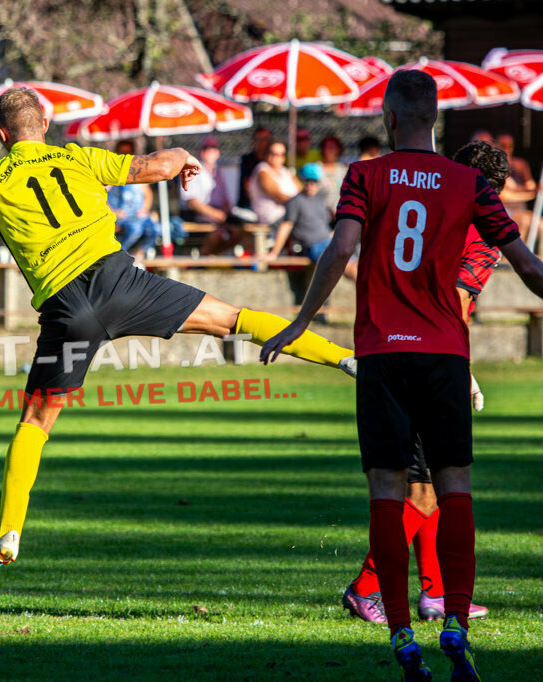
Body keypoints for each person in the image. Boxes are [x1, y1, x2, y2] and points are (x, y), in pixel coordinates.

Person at [0, 87, 358, 590]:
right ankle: (345, 360)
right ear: (45, 124)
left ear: (1, 135)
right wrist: (183, 157)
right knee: (235, 320)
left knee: (35, 423)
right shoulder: (78, 158)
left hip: (67, 311)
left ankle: (9, 531)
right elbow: (154, 165)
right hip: (122, 283)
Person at [260, 70, 543, 681]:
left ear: (388, 117)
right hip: (445, 354)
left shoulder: (364, 176)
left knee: (388, 491)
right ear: (435, 118)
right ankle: (455, 621)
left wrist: (300, 321)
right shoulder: (470, 183)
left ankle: (401, 633)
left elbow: (340, 249)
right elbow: (526, 265)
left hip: (383, 355)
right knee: (454, 484)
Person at [341, 140, 508, 627]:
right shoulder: (481, 232)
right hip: (433, 360)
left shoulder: (427, 210)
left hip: (389, 350)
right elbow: (457, 299)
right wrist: (463, 367)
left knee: (424, 484)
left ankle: (436, 592)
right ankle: (365, 587)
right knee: (425, 491)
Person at [262, 163, 332, 263]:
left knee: (350, 261)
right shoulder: (295, 201)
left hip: (328, 242)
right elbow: (286, 226)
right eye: (307, 181)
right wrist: (274, 253)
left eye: (314, 181)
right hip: (312, 246)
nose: (310, 184)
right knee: (345, 265)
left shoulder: (321, 199)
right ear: (302, 180)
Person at [179, 135, 236, 254]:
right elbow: (192, 202)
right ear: (200, 151)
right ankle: (203, 258)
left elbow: (225, 200)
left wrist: (226, 216)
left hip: (217, 218)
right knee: (217, 235)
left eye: (213, 147)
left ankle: (210, 257)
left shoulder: (218, 172)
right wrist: (217, 215)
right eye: (206, 148)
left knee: (240, 233)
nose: (209, 151)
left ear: (218, 152)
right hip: (198, 217)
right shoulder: (193, 170)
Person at [107, 139, 159, 258]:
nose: (126, 155)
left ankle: (139, 254)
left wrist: (145, 209)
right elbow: (100, 194)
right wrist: (112, 211)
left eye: (129, 152)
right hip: (122, 217)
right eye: (122, 152)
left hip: (138, 215)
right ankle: (117, 256)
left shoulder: (137, 173)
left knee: (156, 229)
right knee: (135, 230)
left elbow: (148, 194)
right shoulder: (111, 173)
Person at [495, 133, 537, 242]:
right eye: (503, 145)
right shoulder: (495, 166)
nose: (507, 149)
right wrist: (528, 192)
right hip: (505, 210)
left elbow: (531, 186)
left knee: (539, 224)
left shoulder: (520, 164)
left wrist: (533, 190)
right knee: (523, 221)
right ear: (497, 146)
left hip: (521, 208)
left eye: (510, 146)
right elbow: (504, 195)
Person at [250, 140, 300, 226]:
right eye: (273, 153)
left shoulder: (286, 172)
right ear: (266, 154)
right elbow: (276, 194)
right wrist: (298, 205)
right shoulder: (262, 170)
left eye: (280, 154)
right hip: (273, 218)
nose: (276, 157)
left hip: (292, 214)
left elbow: (301, 190)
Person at [237, 126, 271, 211]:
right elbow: (248, 188)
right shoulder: (247, 160)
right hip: (249, 206)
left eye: (265, 139)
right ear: (254, 141)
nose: (262, 142)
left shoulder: (271, 162)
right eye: (259, 139)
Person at [317, 135, 347, 214]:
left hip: (340, 213)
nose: (330, 150)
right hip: (321, 214)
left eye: (333, 147)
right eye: (327, 147)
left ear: (338, 150)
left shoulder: (343, 170)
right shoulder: (315, 169)